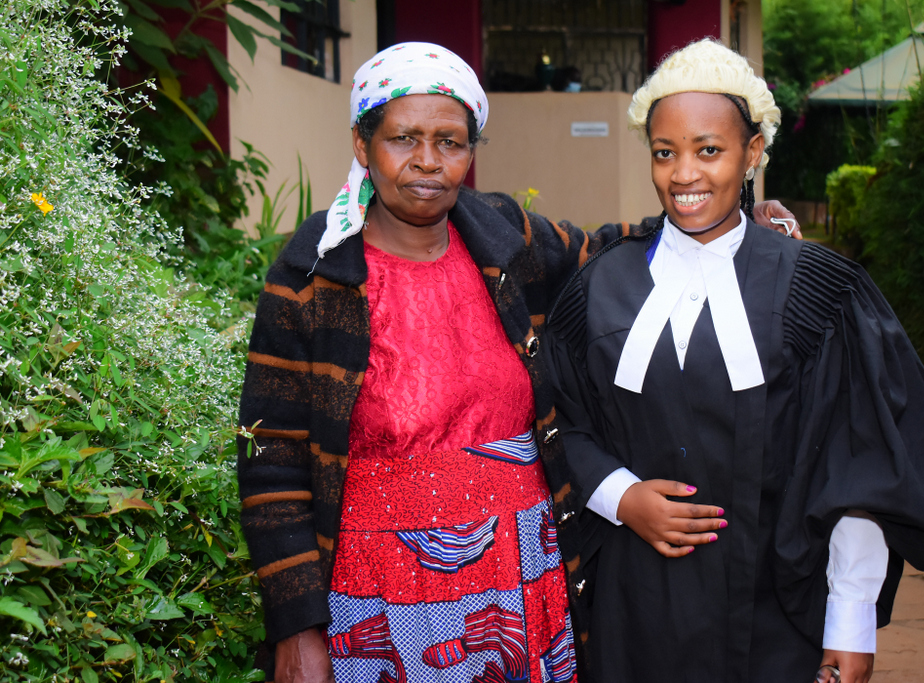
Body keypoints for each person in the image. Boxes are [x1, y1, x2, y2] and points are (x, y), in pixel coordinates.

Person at [236, 42, 800, 683]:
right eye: (403, 138)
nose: (428, 161)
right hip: (376, 595)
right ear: (363, 146)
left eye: (450, 142)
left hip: (524, 576)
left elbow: (609, 250)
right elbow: (270, 462)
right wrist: (297, 627)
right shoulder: (312, 275)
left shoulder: (502, 238)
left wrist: (733, 220)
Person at [543, 39, 924, 683]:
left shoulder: (818, 292)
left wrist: (850, 620)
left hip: (777, 605)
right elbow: (560, 418)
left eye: (709, 150)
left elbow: (857, 466)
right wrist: (621, 496)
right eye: (665, 152)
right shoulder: (602, 283)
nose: (684, 174)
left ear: (753, 151)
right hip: (634, 601)